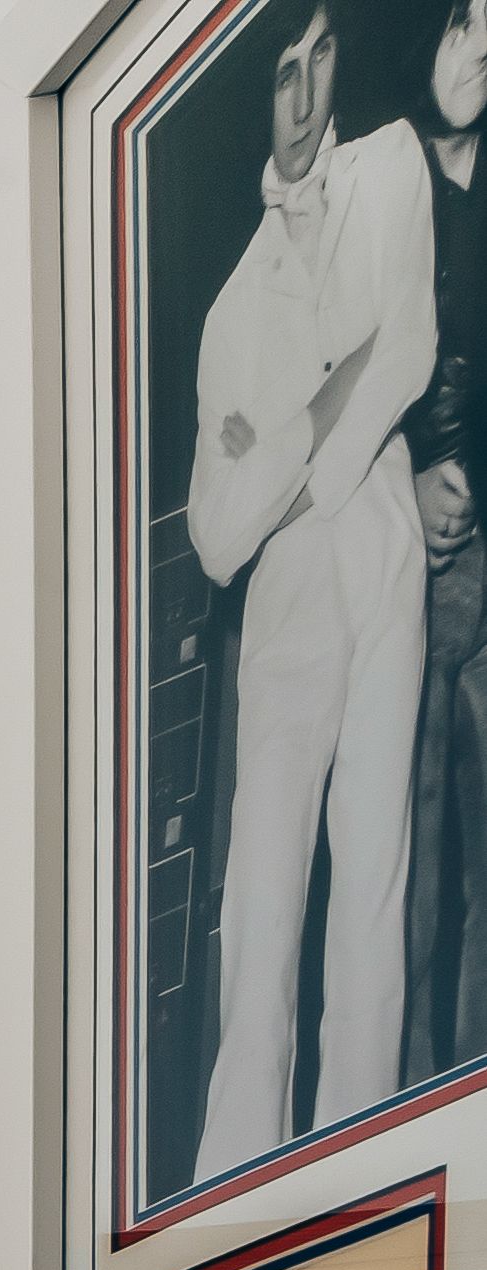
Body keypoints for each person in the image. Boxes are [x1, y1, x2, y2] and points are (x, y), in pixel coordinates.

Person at [191, 0, 442, 1179]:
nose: (299, 91)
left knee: (371, 881)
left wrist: (281, 449)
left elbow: (407, 351)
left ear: (343, 67)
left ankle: (362, 1171)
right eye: (280, 68)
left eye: (320, 54)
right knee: (261, 903)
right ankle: (239, 1183)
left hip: (382, 549)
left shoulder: (392, 171)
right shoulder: (229, 310)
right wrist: (320, 403)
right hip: (287, 601)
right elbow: (212, 533)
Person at [401, 0, 487, 1075]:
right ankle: (400, 1116)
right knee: (402, 868)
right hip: (409, 566)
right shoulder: (376, 180)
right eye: (464, 25)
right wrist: (407, 481)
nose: (480, 54)